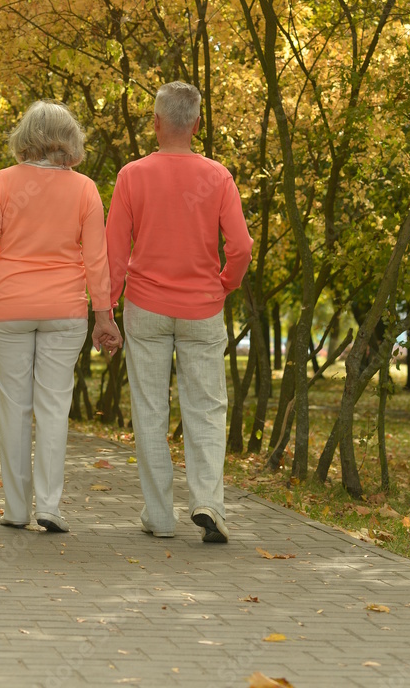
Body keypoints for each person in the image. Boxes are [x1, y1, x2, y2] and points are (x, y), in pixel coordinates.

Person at [106, 82, 253, 543]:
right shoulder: (218, 176)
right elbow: (242, 246)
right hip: (202, 310)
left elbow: (114, 250)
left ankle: (159, 515)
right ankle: (208, 501)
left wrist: (106, 309)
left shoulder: (132, 175)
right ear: (196, 124)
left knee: (150, 408)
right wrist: (224, 285)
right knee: (207, 409)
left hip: (145, 307)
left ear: (155, 122)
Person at [0, 100, 122, 533]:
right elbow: (96, 259)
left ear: (25, 136)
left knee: (13, 407)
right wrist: (104, 315)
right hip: (65, 309)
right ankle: (49, 507)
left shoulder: (1, 182)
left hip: (9, 305)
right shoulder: (85, 189)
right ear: (69, 140)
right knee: (55, 406)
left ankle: (16, 510)